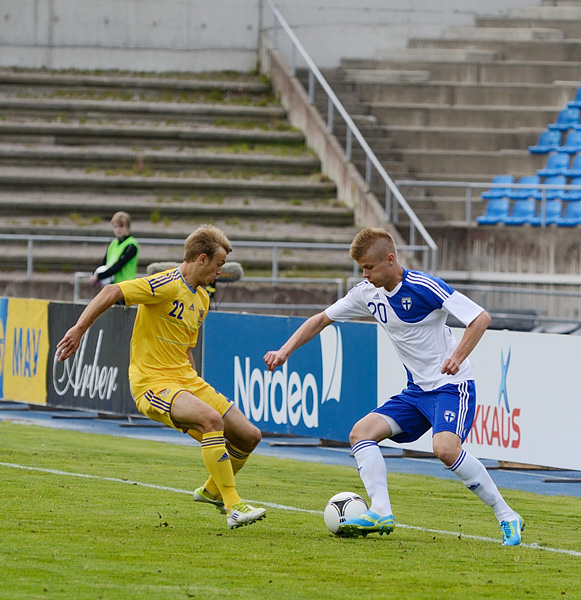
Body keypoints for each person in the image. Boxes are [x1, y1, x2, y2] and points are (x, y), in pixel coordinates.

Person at [264, 227, 524, 545]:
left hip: (452, 387)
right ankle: (381, 511)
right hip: (416, 392)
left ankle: (507, 515)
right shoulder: (366, 293)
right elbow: (320, 319)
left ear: (390, 260)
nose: (365, 275)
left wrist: (457, 356)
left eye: (369, 268)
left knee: (444, 449)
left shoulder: (424, 287)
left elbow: (480, 318)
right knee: (361, 433)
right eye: (362, 269)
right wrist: (284, 351)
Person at [57, 225, 266, 529]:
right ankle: (233, 505)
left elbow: (185, 346)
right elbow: (112, 290)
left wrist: (193, 383)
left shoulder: (202, 299)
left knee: (249, 436)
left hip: (186, 380)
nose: (221, 272)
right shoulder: (165, 284)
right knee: (211, 422)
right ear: (202, 259)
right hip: (153, 383)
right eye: (219, 265)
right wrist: (78, 329)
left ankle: (211, 491)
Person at [89, 211, 140, 288]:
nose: (118, 229)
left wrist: (98, 277)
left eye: (121, 226)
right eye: (115, 227)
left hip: (125, 287)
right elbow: (104, 263)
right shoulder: (113, 244)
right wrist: (94, 275)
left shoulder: (131, 245)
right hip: (111, 286)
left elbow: (118, 266)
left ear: (128, 227)